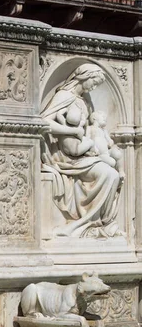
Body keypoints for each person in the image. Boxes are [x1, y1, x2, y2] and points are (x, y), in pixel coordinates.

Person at [41, 63, 123, 238]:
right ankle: (81, 225)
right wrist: (71, 131)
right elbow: (44, 122)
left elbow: (88, 131)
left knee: (113, 174)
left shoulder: (85, 101)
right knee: (108, 175)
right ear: (84, 76)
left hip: (84, 154)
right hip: (66, 158)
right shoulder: (64, 96)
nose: (94, 87)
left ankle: (100, 224)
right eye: (94, 82)